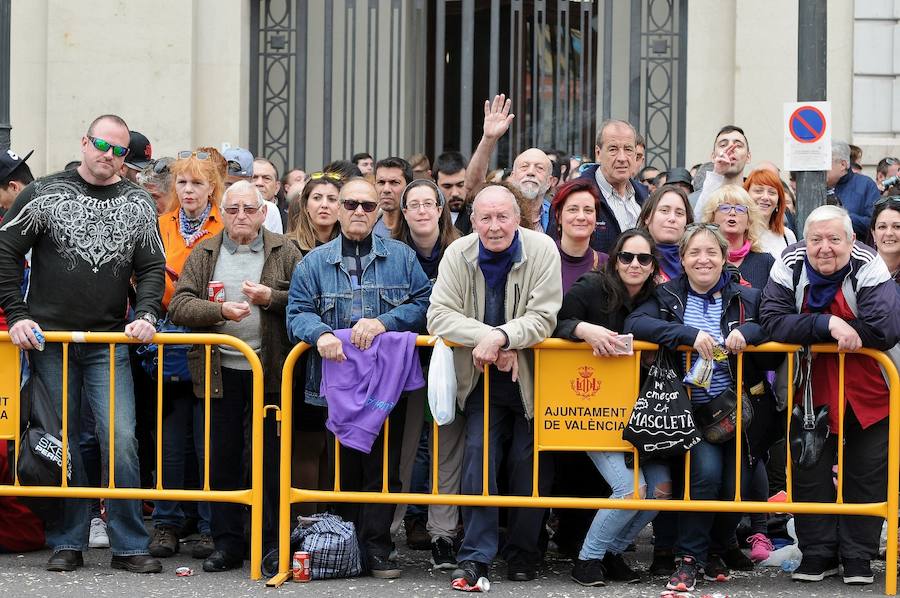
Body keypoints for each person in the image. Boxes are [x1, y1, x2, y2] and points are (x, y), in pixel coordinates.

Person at [0, 114, 165, 574]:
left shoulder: (137, 201)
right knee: (61, 443)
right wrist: (17, 314)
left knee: (123, 439)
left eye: (118, 151)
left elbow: (152, 265)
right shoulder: (44, 193)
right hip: (49, 340)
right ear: (84, 142)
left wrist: (148, 312)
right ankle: (68, 540)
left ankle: (130, 544)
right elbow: (5, 250)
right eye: (101, 145)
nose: (107, 156)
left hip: (109, 341)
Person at [286, 177, 431, 579]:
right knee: (341, 468)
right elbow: (295, 312)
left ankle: (378, 547)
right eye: (351, 204)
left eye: (369, 206)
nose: (359, 212)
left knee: (384, 470)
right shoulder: (313, 262)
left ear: (379, 212)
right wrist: (322, 334)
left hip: (387, 386)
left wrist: (384, 322)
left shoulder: (402, 257)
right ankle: (343, 546)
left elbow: (423, 304)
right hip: (334, 389)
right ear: (338, 208)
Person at [427, 181, 563, 587]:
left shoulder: (542, 250)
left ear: (518, 218)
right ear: (473, 221)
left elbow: (544, 317)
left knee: (529, 467)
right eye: (485, 217)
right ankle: (476, 558)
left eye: (503, 216)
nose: (494, 226)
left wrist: (502, 338)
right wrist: (492, 337)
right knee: (477, 464)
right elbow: (438, 316)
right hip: (481, 379)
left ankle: (523, 554)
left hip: (531, 380)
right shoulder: (458, 252)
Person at [626, 223, 771, 593]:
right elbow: (636, 322)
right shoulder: (667, 295)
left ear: (724, 258)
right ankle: (688, 559)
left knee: (735, 483)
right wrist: (688, 336)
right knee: (704, 477)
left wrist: (747, 334)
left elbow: (770, 324)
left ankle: (716, 549)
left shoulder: (745, 297)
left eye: (711, 252)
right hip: (692, 412)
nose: (703, 259)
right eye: (694, 253)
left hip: (737, 412)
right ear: (683, 259)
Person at [760, 205, 900, 586]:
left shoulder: (868, 264)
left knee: (866, 475)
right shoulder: (789, 262)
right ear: (805, 240)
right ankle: (817, 552)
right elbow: (771, 320)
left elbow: (884, 328)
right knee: (810, 472)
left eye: (834, 239)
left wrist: (806, 329)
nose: (825, 248)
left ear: (852, 240)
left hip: (870, 388)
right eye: (816, 239)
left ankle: (857, 557)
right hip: (809, 387)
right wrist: (829, 323)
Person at [168, 180, 301, 572]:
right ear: (221, 214)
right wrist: (219, 313)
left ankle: (273, 543)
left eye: (249, 209)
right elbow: (179, 306)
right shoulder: (204, 251)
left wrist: (269, 299)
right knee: (222, 459)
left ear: (263, 212)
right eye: (232, 210)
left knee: (272, 462)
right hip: (220, 371)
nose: (241, 216)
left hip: (271, 372)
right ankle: (227, 544)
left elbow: (307, 300)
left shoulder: (284, 249)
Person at [555, 229, 671, 587]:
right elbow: (555, 323)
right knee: (631, 489)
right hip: (595, 410)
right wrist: (584, 329)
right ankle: (587, 560)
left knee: (660, 490)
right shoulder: (591, 287)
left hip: (643, 411)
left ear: (653, 266)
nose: (634, 264)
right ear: (615, 258)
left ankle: (609, 553)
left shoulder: (658, 298)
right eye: (627, 257)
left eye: (644, 258)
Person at [149, 150, 225, 560]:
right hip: (169, 338)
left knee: (208, 440)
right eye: (183, 183)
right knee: (171, 441)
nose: (190, 190)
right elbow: (143, 275)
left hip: (214, 339)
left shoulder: (225, 224)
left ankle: (210, 526)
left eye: (198, 183)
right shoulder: (160, 226)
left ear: (212, 187)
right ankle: (166, 523)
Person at [393, 179, 461, 567]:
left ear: (440, 209)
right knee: (409, 448)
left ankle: (444, 531)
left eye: (428, 203)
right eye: (412, 204)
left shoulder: (462, 247)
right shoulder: (393, 253)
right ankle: (402, 523)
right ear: (403, 213)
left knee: (448, 448)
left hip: (453, 360)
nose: (421, 210)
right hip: (407, 362)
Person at [573, 119, 650, 253]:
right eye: (613, 149)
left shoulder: (644, 197)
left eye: (628, 149)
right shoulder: (574, 194)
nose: (622, 158)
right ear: (598, 153)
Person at [699, 185, 774, 289]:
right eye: (725, 208)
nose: (733, 213)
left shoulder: (766, 262)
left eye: (740, 209)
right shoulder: (702, 260)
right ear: (712, 219)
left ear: (749, 221)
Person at [550, 178, 608, 291]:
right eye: (573, 209)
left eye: (588, 210)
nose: (581, 217)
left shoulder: (607, 265)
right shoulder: (541, 260)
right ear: (558, 216)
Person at [638, 184, 694, 282]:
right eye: (664, 211)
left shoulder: (697, 261)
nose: (672, 218)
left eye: (679, 213)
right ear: (647, 217)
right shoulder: (633, 259)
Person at [692, 126, 752, 216]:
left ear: (748, 157)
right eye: (723, 145)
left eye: (738, 146)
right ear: (713, 157)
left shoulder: (756, 197)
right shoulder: (694, 201)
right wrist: (717, 173)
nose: (731, 149)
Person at [827, 140, 881, 240]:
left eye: (826, 163)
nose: (822, 168)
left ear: (843, 165)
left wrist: (842, 215)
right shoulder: (815, 188)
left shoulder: (866, 185)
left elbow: (875, 224)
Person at [223, 147, 284, 235]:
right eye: (228, 184)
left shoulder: (269, 210)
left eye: (240, 185)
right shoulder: (209, 208)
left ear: (250, 180)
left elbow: (277, 246)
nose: (233, 191)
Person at [744, 169, 796, 257]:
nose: (765, 197)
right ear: (746, 195)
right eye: (758, 191)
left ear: (778, 201)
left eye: (772, 192)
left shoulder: (788, 236)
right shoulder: (739, 233)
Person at [288, 171, 342, 252]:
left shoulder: (351, 247)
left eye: (332, 199)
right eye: (317, 198)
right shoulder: (287, 247)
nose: (324, 205)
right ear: (306, 205)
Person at [508, 148, 553, 232]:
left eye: (540, 168)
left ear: (549, 182)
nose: (531, 172)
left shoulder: (556, 215)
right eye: (524, 166)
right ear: (512, 177)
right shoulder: (498, 211)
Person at [373, 157, 413, 238]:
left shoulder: (418, 229)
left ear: (408, 187)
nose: (386, 189)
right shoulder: (367, 226)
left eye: (394, 182)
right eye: (381, 182)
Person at [434, 151, 472, 234]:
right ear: (436, 185)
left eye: (460, 185)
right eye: (447, 186)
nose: (455, 193)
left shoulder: (478, 215)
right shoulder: (427, 216)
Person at [871, 196, 900, 283]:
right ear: (874, 234)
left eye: (897, 226)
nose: (889, 233)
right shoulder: (859, 272)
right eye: (882, 227)